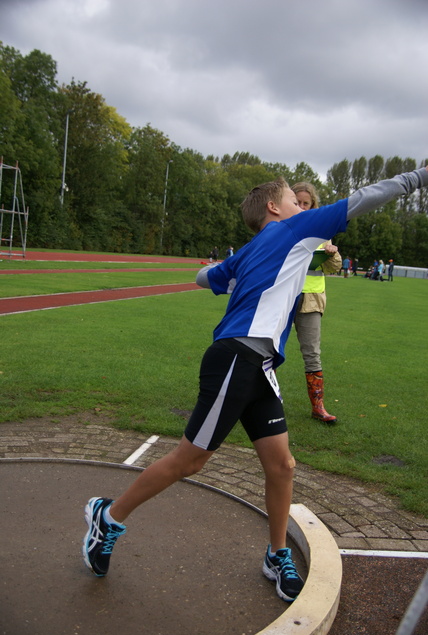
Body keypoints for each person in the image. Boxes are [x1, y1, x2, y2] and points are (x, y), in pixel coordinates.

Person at [82, 166, 428, 605]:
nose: (304, 207)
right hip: (236, 359)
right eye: (294, 200)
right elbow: (364, 197)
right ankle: (108, 516)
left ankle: (276, 552)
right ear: (275, 208)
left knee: (282, 466)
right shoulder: (297, 227)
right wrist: (419, 178)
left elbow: (205, 279)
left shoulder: (252, 248)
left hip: (258, 365)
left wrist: (227, 271)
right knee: (190, 460)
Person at [291, 182, 342, 424]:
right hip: (283, 296)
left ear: (313, 205)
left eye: (306, 203)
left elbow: (334, 268)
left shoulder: (323, 231)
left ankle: (318, 406)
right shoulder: (281, 226)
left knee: (312, 354)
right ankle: (258, 401)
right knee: (267, 349)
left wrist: (331, 253)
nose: (301, 207)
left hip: (311, 300)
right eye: (297, 202)